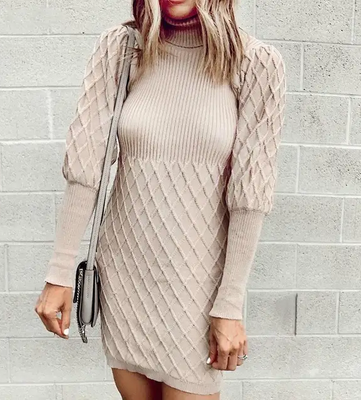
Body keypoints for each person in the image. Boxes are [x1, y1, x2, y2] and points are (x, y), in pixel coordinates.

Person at [35, 0, 287, 398]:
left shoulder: (256, 63)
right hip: (125, 276)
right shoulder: (122, 48)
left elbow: (250, 197)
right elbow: (86, 165)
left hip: (198, 288)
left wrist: (230, 306)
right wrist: (59, 273)